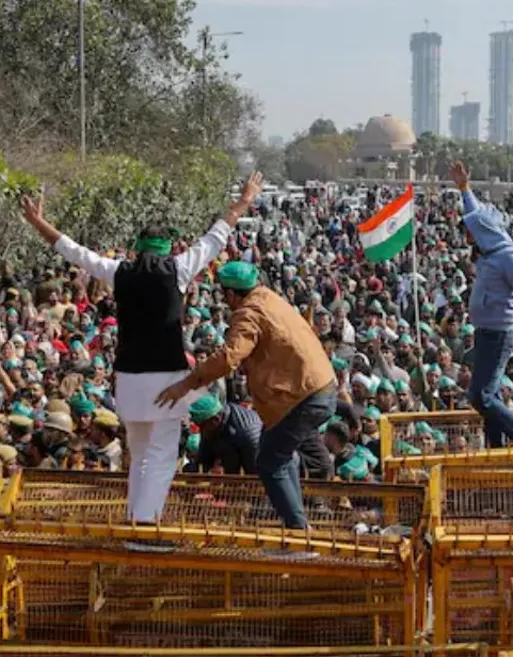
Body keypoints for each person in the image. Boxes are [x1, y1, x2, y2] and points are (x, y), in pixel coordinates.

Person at [21, 171, 263, 551]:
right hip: (167, 378)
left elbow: (73, 251)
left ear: (137, 248)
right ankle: (147, 529)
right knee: (162, 455)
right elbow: (217, 237)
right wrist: (244, 201)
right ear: (168, 249)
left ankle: (136, 524)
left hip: (129, 380)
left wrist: (38, 223)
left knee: (139, 455)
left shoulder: (120, 272)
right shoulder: (179, 269)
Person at [156, 260, 336, 546]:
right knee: (278, 451)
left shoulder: (249, 312)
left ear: (229, 295)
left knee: (269, 461)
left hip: (303, 395)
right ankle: (297, 524)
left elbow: (230, 357)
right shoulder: (269, 298)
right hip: (311, 389)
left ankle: (299, 535)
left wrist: (187, 383)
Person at [447, 160, 513, 447]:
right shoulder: (489, 247)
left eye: (470, 231)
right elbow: (476, 213)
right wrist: (464, 188)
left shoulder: (509, 257)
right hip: (484, 331)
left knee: (479, 396)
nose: (466, 234)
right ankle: (496, 444)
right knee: (490, 393)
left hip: (500, 334)